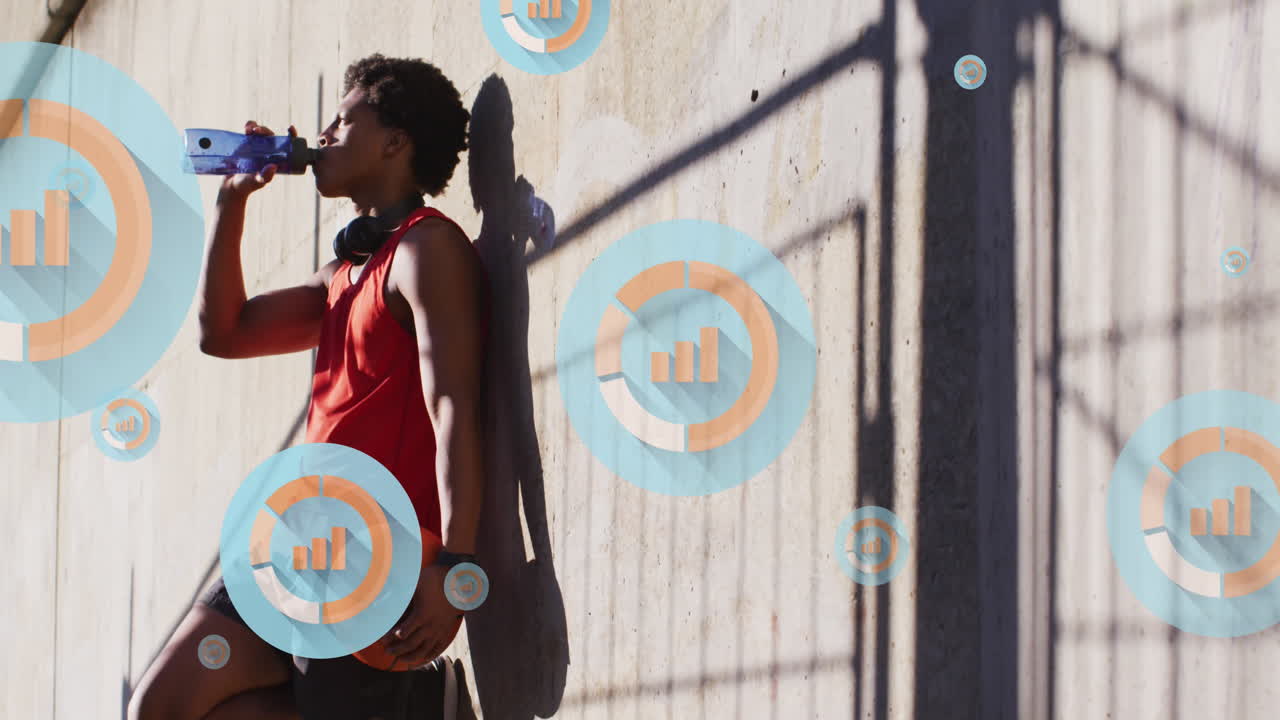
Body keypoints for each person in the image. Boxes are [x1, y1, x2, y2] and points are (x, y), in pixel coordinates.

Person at [127, 53, 486, 720]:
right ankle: (416, 702)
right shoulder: (341, 275)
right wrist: (232, 204)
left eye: (342, 122)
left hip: (375, 554)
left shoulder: (424, 251)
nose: (322, 136)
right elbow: (224, 333)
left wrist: (456, 568)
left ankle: (420, 700)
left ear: (394, 142)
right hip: (302, 536)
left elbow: (454, 409)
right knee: (161, 706)